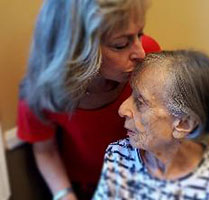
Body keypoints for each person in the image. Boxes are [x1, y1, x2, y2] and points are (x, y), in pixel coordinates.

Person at [17, 0, 161, 199]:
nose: (140, 52)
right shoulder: (40, 92)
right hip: (85, 187)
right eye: (121, 44)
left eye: (140, 34)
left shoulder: (150, 58)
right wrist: (64, 194)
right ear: (73, 49)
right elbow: (45, 152)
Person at [93, 50, 209, 199]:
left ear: (183, 123)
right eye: (132, 94)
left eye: (140, 102)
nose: (122, 110)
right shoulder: (118, 156)